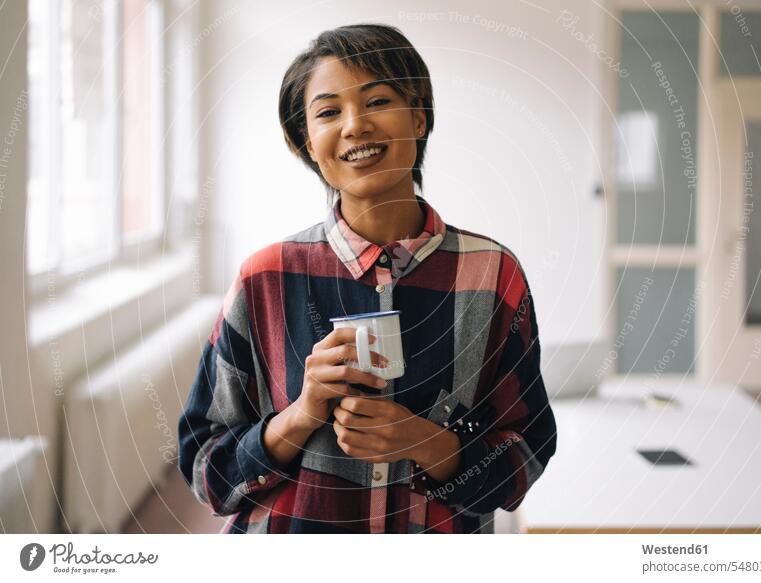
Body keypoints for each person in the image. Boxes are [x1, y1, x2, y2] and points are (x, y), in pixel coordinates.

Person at [177, 23, 556, 534]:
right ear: (305, 143)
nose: (355, 126)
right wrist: (302, 414)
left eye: (377, 101)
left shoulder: (493, 275)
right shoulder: (263, 277)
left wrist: (425, 442)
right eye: (329, 112)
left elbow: (526, 452)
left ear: (419, 118)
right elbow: (205, 468)